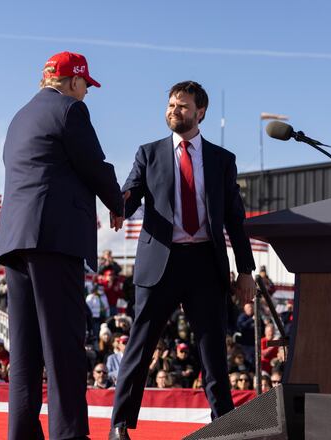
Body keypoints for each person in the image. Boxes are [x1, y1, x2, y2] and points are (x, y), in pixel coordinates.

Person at [110, 81, 257, 440]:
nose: (174, 111)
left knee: (212, 351)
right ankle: (120, 425)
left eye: (183, 106)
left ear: (200, 112)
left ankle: (225, 425)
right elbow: (130, 194)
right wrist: (118, 204)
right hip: (160, 263)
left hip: (206, 265)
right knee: (139, 348)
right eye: (171, 105)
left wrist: (246, 270)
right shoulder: (149, 153)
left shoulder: (222, 161)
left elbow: (235, 219)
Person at [0, 50, 124, 440]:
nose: (86, 93)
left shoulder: (20, 117)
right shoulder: (70, 111)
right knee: (64, 345)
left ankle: (22, 432)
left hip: (16, 242)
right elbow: (93, 164)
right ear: (73, 81)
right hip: (53, 241)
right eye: (85, 85)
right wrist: (117, 203)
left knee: (26, 351)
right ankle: (69, 434)